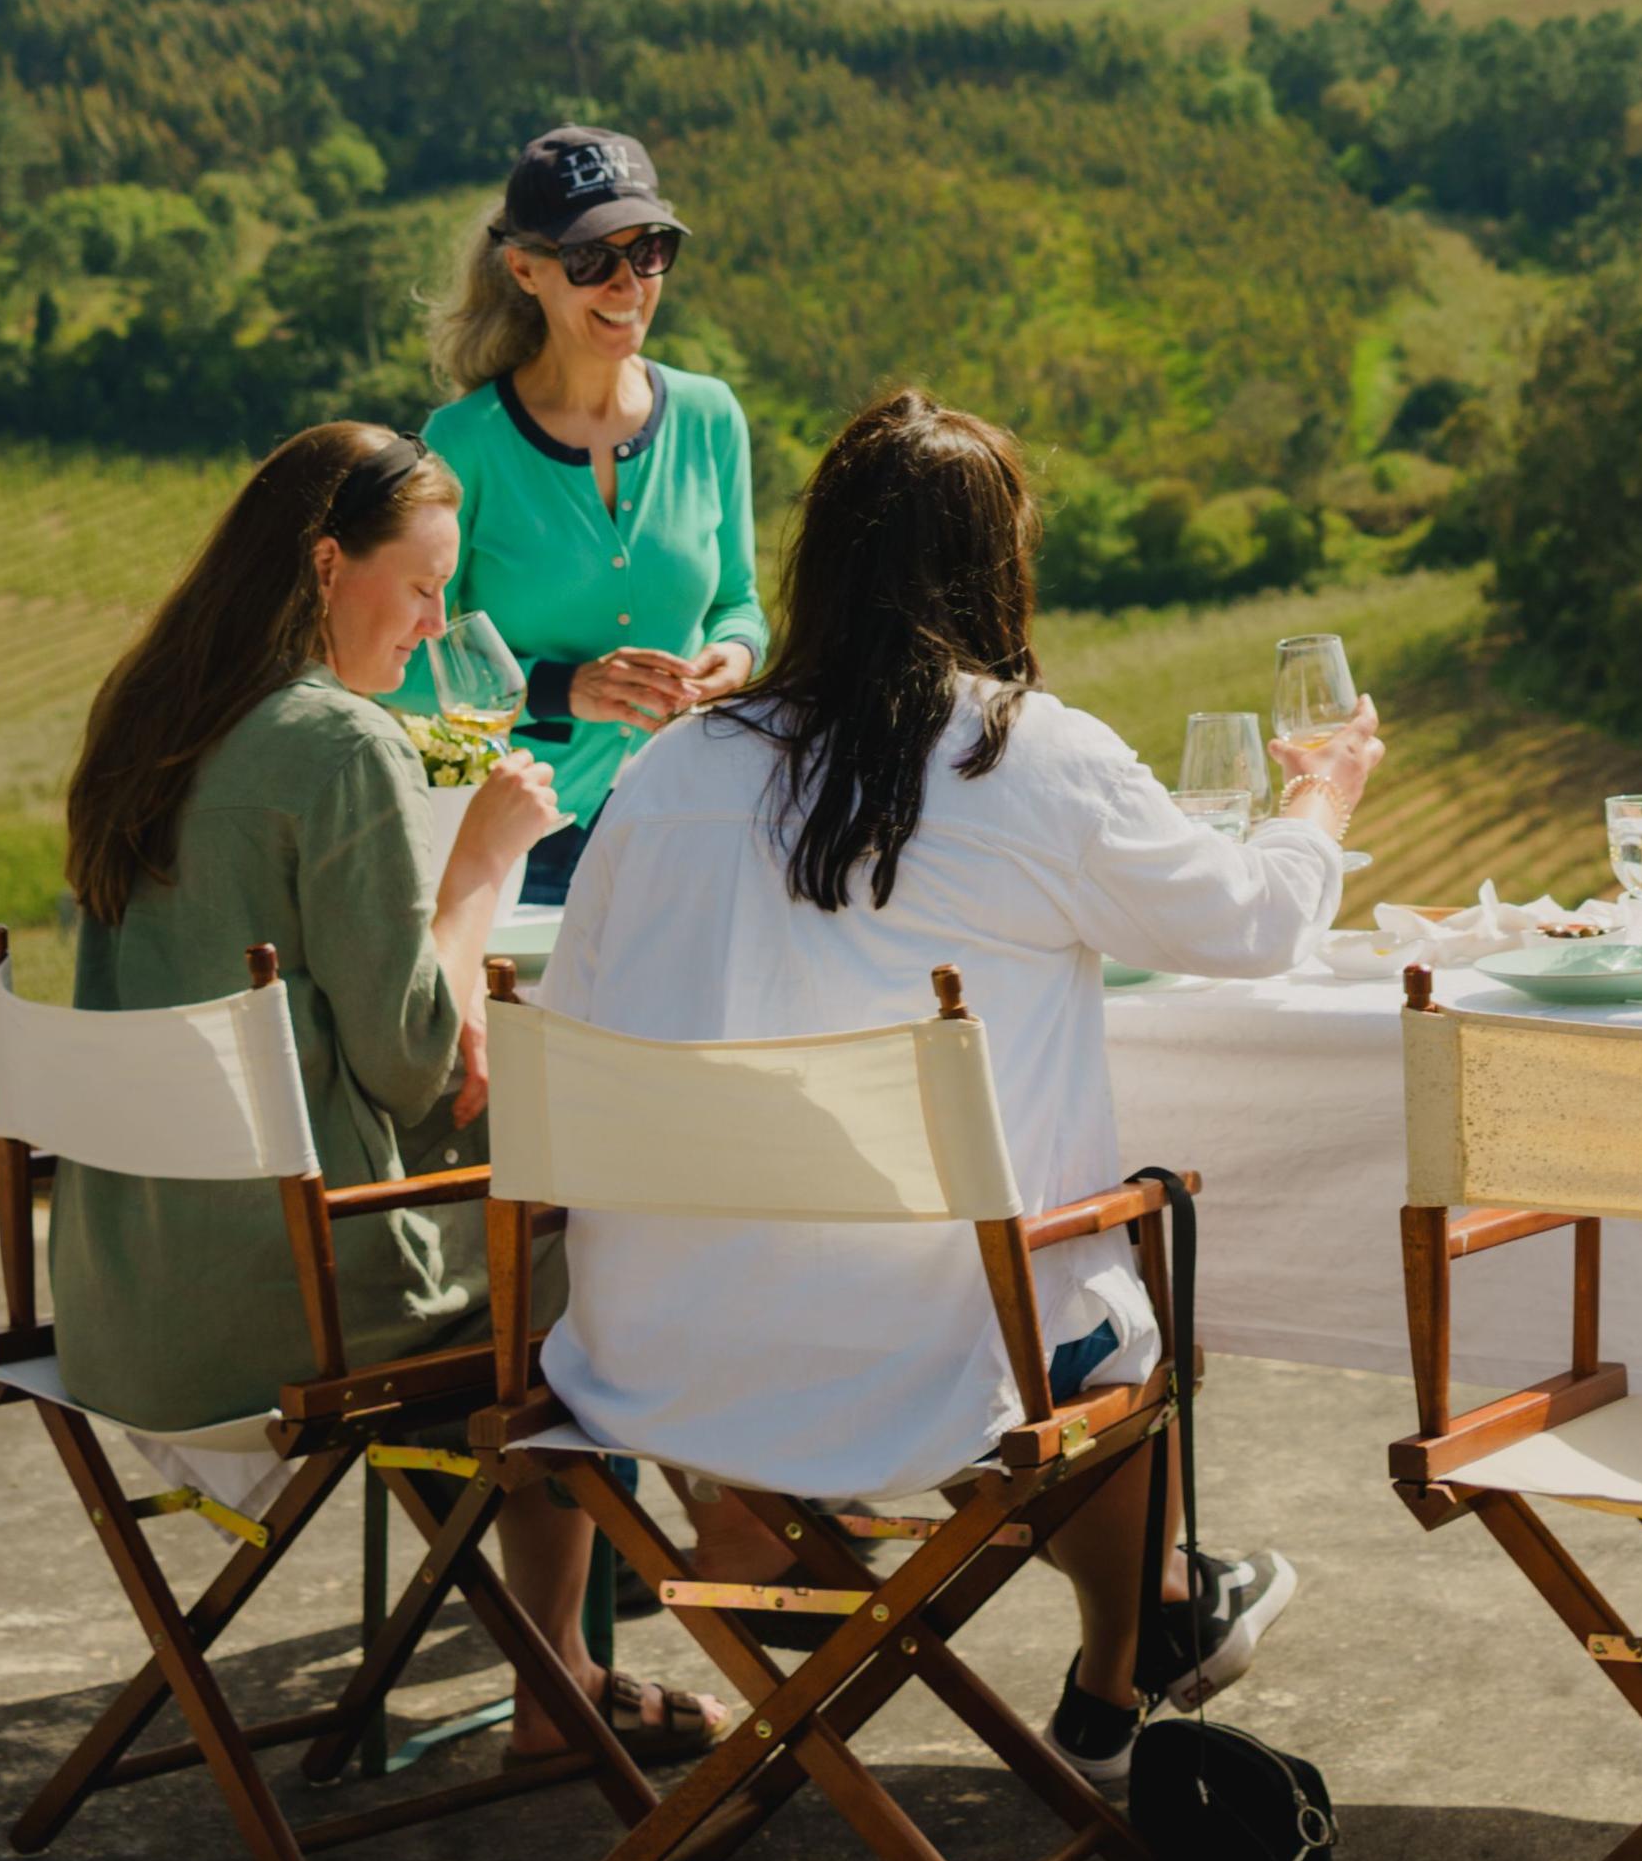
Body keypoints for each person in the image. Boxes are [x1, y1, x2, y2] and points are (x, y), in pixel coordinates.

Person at [539, 390, 1381, 1785]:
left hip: (650, 1354)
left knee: (1026, 1275)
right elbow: (1247, 927)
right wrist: (1322, 800)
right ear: (1000, 565)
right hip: (925, 1368)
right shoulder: (1030, 753)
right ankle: (1131, 1643)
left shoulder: (676, 764)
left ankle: (857, 1665)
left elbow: (575, 1027)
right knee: (1108, 1272)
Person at [53, 419, 730, 1763]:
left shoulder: (154, 718)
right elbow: (419, 1070)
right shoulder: (339, 746)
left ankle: (560, 1659)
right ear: (324, 565)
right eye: (421, 585)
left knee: (515, 1260)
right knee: (590, 1250)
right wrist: (483, 864)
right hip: (281, 1310)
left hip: (121, 1303)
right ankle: (579, 1670)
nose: (434, 623)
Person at [403, 125, 768, 906]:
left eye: (649, 252)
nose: (628, 284)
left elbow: (741, 604)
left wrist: (731, 659)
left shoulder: (710, 416)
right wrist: (562, 689)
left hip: (695, 815)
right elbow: (392, 666)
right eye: (591, 260)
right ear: (526, 270)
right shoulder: (463, 444)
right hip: (529, 835)